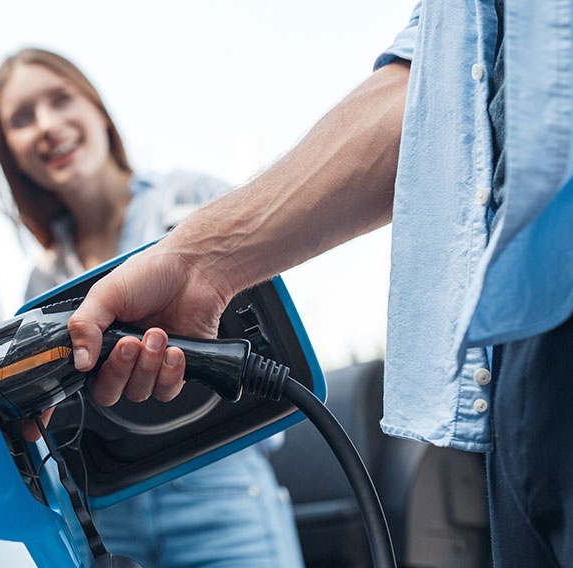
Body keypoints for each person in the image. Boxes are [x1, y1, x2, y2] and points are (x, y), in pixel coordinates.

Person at [67, 1, 573, 566]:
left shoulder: (179, 194)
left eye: (59, 99)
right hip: (518, 360)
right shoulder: (44, 272)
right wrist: (195, 265)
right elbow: (432, 87)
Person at [0, 47, 304, 568]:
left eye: (60, 99)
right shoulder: (40, 282)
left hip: (222, 497)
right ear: (11, 155)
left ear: (98, 111)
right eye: (21, 119)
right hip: (115, 520)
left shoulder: (192, 201)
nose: (45, 125)